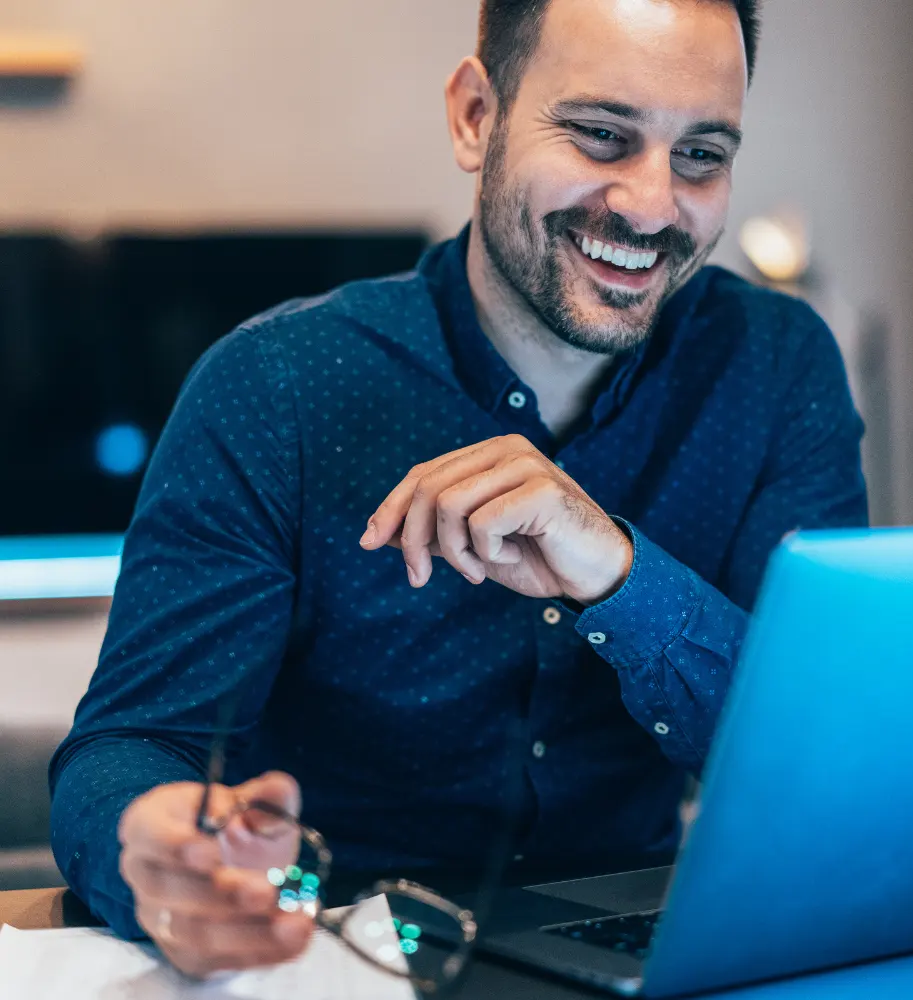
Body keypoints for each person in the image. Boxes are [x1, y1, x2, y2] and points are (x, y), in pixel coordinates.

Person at [50, 0, 868, 978]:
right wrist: (163, 847)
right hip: (334, 946)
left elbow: (822, 766)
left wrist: (619, 575)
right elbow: (131, 744)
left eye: (700, 155)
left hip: (648, 942)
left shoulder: (777, 367)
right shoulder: (273, 386)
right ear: (476, 116)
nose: (652, 206)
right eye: (601, 135)